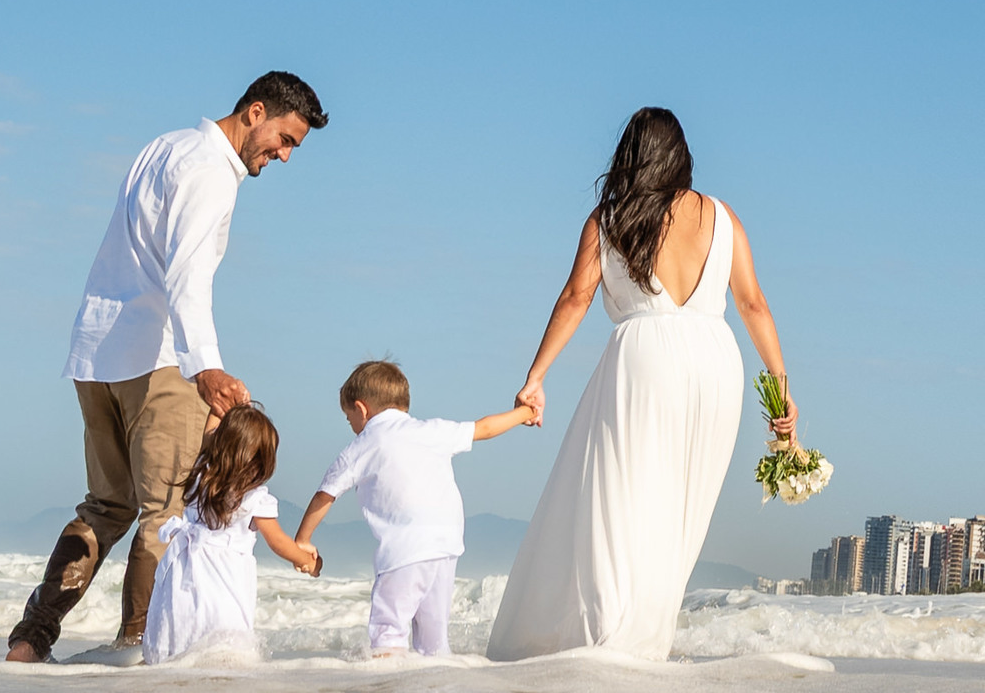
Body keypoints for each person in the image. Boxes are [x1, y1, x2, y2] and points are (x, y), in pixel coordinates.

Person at [6, 70, 328, 664]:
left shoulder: (164, 146)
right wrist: (204, 365)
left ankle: (31, 639)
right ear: (255, 113)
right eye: (284, 139)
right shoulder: (212, 172)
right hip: (156, 360)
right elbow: (188, 275)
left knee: (106, 507)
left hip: (97, 352)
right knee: (164, 512)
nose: (283, 156)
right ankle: (138, 650)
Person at [486, 107, 798, 664]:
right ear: (681, 156)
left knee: (620, 503)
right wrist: (781, 386)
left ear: (629, 156)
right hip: (715, 365)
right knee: (678, 513)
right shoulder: (723, 217)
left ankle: (612, 637)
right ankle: (647, 640)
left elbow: (576, 298)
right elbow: (754, 304)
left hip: (644, 361)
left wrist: (535, 377)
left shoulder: (609, 219)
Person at [296, 360, 535, 658]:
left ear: (362, 409)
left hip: (404, 551)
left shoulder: (365, 443)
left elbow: (325, 494)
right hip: (446, 547)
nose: (352, 426)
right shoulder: (432, 430)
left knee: (388, 633)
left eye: (349, 418)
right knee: (434, 644)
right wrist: (525, 412)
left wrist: (303, 539)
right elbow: (485, 428)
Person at [143, 405, 321, 663]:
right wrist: (306, 561)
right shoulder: (253, 498)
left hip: (185, 572)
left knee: (183, 634)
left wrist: (225, 403)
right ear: (261, 460)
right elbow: (278, 542)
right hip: (224, 580)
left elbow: (209, 432)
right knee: (225, 643)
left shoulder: (201, 475)